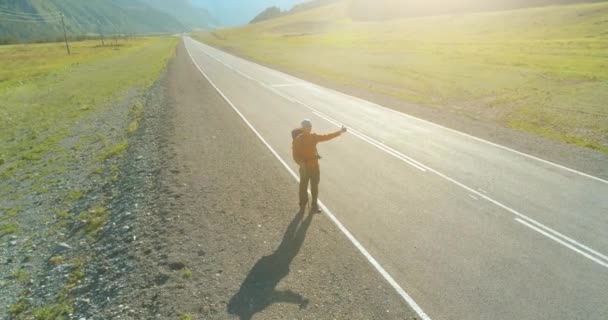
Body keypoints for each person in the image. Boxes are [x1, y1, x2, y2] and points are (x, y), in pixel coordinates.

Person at [292, 119, 347, 213]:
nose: (308, 128)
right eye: (306, 126)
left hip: (314, 167)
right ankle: (302, 204)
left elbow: (327, 137)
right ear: (303, 128)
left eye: (309, 126)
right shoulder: (298, 139)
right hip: (304, 168)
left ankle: (314, 206)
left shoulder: (314, 137)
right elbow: (295, 154)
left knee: (315, 187)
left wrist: (340, 132)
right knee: (303, 187)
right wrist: (300, 163)